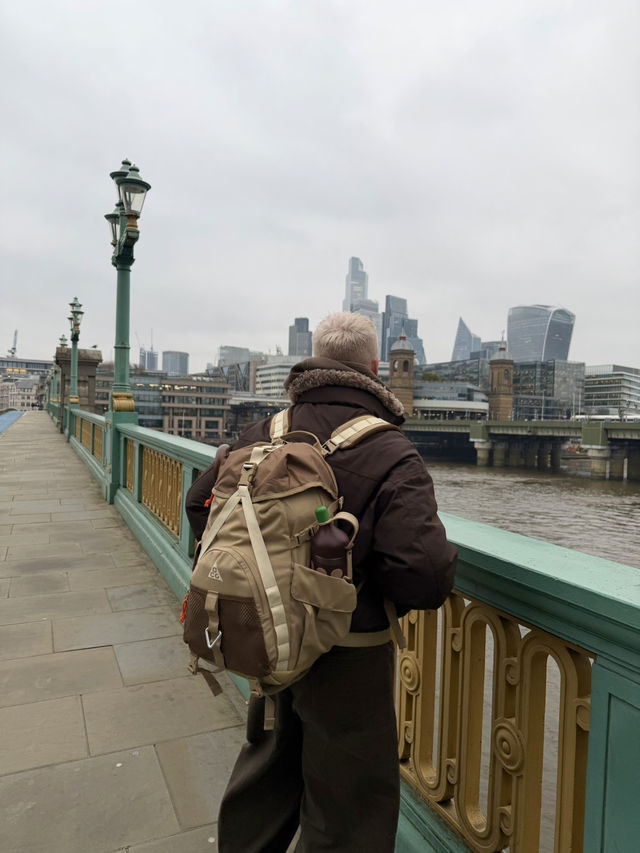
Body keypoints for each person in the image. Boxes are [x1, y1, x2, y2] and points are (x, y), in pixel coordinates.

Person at [186, 312, 457, 853]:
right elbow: (423, 579)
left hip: (261, 633)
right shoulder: (391, 451)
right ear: (376, 369)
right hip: (348, 655)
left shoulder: (262, 433)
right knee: (347, 812)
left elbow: (199, 507)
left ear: (312, 362)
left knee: (265, 779)